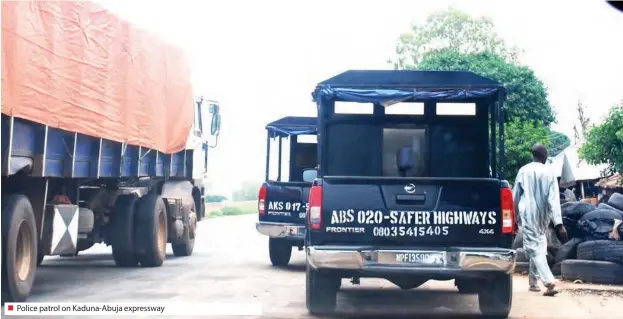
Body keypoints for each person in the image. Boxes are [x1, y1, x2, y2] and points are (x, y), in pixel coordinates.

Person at [513, 143, 568, 296]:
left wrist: (514, 217)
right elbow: (554, 199)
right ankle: (548, 280)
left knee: (539, 246)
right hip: (543, 215)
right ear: (544, 156)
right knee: (536, 246)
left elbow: (515, 196)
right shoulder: (549, 172)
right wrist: (559, 224)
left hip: (528, 213)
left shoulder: (523, 171)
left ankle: (533, 282)